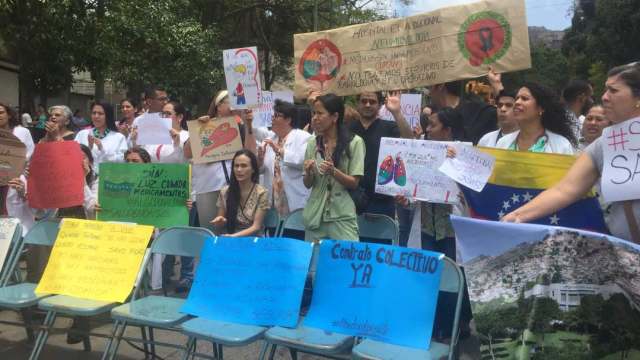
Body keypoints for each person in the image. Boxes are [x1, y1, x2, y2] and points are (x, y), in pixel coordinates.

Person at [503, 62, 640, 243]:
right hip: (629, 256)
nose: (604, 97)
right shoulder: (601, 146)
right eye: (605, 90)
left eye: (613, 91)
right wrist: (516, 217)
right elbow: (564, 190)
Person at [397, 107, 472, 339]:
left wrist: (465, 193)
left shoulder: (466, 154)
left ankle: (453, 326)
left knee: (452, 279)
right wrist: (405, 199)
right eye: (427, 125)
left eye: (433, 125)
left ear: (447, 130)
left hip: (452, 229)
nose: (427, 129)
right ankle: (430, 325)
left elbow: (474, 194)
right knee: (426, 277)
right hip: (427, 227)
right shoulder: (423, 151)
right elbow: (415, 187)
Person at [303, 94, 365, 242]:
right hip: (315, 215)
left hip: (342, 216)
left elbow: (354, 182)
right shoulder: (313, 143)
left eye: (320, 113)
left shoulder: (354, 142)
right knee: (314, 262)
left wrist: (333, 171)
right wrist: (308, 172)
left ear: (335, 116)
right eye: (313, 113)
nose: (315, 118)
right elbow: (308, 184)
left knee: (345, 262)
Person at [245, 100, 311, 221]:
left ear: (288, 120)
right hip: (273, 201)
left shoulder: (303, 137)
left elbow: (303, 161)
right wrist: (259, 160)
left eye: (276, 116)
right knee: (274, 236)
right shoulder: (271, 138)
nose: (272, 119)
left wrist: (280, 151)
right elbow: (262, 169)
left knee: (293, 235)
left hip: (295, 201)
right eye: (272, 115)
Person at [350, 91, 412, 220]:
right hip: (350, 198)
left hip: (381, 200)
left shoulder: (389, 128)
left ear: (379, 105)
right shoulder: (347, 129)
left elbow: (409, 139)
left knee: (380, 240)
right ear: (357, 104)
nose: (367, 105)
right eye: (364, 101)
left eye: (372, 102)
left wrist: (396, 112)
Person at [184, 90, 235, 232]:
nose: (234, 107)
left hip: (234, 187)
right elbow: (187, 152)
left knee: (234, 232)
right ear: (219, 106)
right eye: (231, 102)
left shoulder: (240, 126)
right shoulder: (204, 126)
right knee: (211, 232)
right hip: (209, 188)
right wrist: (197, 130)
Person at [495, 82, 577, 154]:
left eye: (524, 98)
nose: (517, 102)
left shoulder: (561, 145)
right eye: (517, 98)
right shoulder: (503, 143)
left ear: (541, 108)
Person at [211, 150, 268, 237]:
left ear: (253, 169)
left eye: (244, 166)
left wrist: (234, 237)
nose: (239, 169)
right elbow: (219, 222)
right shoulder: (225, 191)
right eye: (236, 166)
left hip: (253, 239)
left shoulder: (261, 193)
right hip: (230, 236)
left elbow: (256, 227)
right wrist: (220, 221)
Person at [430, 80, 497, 145]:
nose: (429, 92)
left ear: (440, 86)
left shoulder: (480, 112)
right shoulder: (432, 115)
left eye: (430, 87)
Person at [74, 101, 128, 172]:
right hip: (86, 179)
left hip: (108, 178)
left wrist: (102, 149)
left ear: (108, 116)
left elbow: (123, 161)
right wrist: (89, 148)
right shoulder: (82, 134)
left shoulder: (118, 137)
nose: (96, 116)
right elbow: (74, 157)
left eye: (100, 113)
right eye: (94, 113)